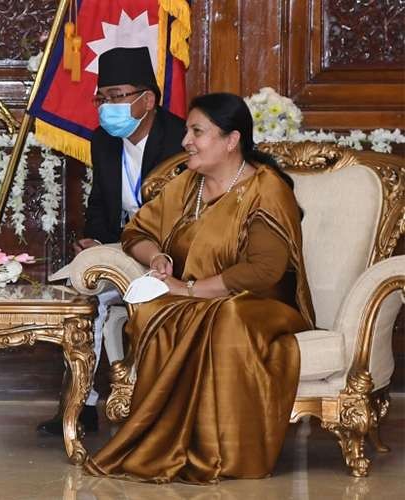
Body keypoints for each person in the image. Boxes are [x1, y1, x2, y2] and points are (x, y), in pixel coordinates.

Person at [84, 92, 314, 484]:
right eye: (188, 131)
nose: (185, 141)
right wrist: (157, 256)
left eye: (197, 132)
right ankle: (167, 444)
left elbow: (264, 271)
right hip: (192, 300)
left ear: (231, 140)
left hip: (259, 306)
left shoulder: (266, 189)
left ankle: (224, 453)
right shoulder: (188, 185)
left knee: (226, 316)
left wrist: (188, 290)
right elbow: (135, 232)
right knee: (154, 311)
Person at [39, 46, 186, 435]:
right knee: (82, 297)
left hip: (171, 251)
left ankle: (152, 405)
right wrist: (94, 242)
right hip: (120, 248)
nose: (107, 108)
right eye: (102, 98)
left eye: (117, 96)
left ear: (147, 100)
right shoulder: (103, 140)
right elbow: (100, 202)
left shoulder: (180, 138)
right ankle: (80, 404)